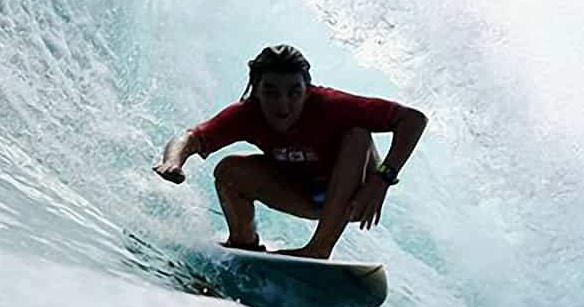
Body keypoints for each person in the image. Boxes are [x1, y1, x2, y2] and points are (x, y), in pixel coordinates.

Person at [153, 45, 428, 258]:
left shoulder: (331, 106)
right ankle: (244, 244)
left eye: (294, 92)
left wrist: (382, 180)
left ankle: (319, 249)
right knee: (229, 170)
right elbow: (191, 138)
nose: (283, 104)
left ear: (307, 90)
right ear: (256, 91)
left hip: (353, 197)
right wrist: (172, 162)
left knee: (357, 135)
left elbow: (413, 119)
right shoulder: (247, 114)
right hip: (302, 194)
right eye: (271, 92)